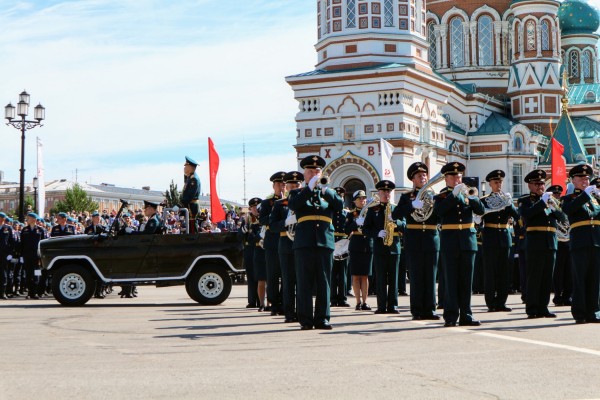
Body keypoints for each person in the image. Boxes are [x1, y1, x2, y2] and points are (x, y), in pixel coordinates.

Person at [288, 155, 343, 330]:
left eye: (317, 171)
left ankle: (322, 318)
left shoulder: (329, 192)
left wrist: (325, 190)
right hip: (304, 242)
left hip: (324, 241)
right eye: (310, 171)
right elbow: (295, 205)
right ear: (304, 174)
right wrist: (309, 189)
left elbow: (340, 205)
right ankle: (305, 319)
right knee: (304, 282)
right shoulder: (297, 193)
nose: (314, 174)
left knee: (324, 281)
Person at [434, 162, 485, 327]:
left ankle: (466, 315)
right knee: (451, 281)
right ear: (446, 179)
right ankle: (450, 316)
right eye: (453, 176)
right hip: (450, 242)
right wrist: (452, 196)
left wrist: (471, 198)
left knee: (466, 281)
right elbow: (439, 213)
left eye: (459, 176)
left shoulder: (468, 194)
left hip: (468, 242)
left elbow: (481, 210)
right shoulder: (440, 197)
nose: (457, 179)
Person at [393, 162, 440, 320]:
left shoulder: (434, 195)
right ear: (413, 179)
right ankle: (417, 310)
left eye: (425, 175)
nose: (423, 177)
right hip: (414, 239)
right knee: (416, 276)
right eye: (419, 175)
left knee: (430, 276)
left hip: (431, 238)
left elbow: (440, 215)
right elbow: (396, 215)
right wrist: (411, 206)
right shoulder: (407, 197)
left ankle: (430, 309)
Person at [518, 169, 567, 319]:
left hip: (550, 241)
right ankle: (532, 308)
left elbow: (563, 217)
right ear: (530, 185)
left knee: (547, 277)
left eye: (542, 183)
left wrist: (553, 207)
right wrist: (542, 203)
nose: (540, 186)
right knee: (534, 276)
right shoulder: (525, 200)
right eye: (537, 184)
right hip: (535, 241)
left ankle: (543, 307)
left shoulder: (551, 200)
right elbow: (527, 215)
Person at [560, 164, 600, 323]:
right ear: (573, 181)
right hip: (580, 243)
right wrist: (585, 196)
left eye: (587, 178)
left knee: (595, 279)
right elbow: (568, 211)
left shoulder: (595, 199)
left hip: (596, 242)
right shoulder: (568, 199)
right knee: (580, 278)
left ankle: (594, 311)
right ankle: (580, 313)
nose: (585, 181)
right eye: (581, 178)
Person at [363, 180, 404, 314]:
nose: (386, 194)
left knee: (394, 278)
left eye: (388, 192)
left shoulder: (396, 208)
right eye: (384, 191)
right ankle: (381, 306)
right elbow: (365, 229)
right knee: (380, 278)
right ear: (379, 193)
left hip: (394, 247)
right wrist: (377, 233)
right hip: (380, 248)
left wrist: (395, 221)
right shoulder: (373, 209)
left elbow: (405, 225)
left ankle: (393, 306)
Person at [480, 170, 519, 312]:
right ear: (490, 184)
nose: (499, 184)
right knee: (490, 272)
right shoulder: (484, 200)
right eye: (496, 182)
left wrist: (510, 204)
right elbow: (479, 220)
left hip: (504, 237)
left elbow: (517, 216)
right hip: (490, 236)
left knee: (504, 272)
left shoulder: (506, 199)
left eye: (500, 182)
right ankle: (491, 303)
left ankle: (501, 302)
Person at [270, 171, 304, 323]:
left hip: (302, 244)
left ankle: (303, 312)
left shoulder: (305, 204)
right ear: (287, 187)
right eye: (291, 185)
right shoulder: (280, 204)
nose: (294, 188)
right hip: (285, 244)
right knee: (288, 281)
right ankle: (289, 313)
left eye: (297, 185)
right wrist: (286, 222)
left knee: (303, 280)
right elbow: (272, 226)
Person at [260, 171, 286, 316]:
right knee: (273, 274)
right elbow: (262, 220)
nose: (281, 186)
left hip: (285, 239)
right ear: (274, 186)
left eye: (283, 184)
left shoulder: (290, 200)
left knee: (286, 274)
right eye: (279, 184)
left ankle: (284, 301)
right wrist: (274, 217)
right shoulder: (267, 202)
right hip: (272, 240)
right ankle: (274, 304)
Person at [345, 190, 373, 311]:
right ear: (355, 201)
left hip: (367, 244)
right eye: (360, 198)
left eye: (364, 198)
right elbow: (346, 230)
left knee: (365, 276)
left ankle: (365, 302)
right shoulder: (351, 214)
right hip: (356, 244)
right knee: (356, 276)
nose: (363, 200)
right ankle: (357, 302)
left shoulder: (370, 212)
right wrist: (356, 222)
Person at [549, 185, 572, 307]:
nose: (557, 196)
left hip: (567, 239)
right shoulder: (549, 206)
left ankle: (567, 296)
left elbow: (566, 218)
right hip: (557, 240)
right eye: (554, 194)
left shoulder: (564, 204)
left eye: (558, 194)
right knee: (558, 271)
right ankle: (558, 296)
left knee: (568, 270)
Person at [238, 199, 261, 309]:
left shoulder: (262, 218)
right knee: (251, 276)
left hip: (260, 248)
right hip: (250, 249)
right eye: (253, 207)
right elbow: (239, 236)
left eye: (257, 207)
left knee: (260, 276)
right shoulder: (247, 220)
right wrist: (244, 228)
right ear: (250, 208)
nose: (255, 209)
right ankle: (252, 301)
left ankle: (261, 300)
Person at [331, 187, 350, 307]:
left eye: (341, 197)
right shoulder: (330, 211)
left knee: (343, 273)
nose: (340, 199)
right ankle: (333, 298)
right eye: (338, 196)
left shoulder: (347, 213)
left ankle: (342, 298)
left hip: (343, 244)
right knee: (332, 273)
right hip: (332, 243)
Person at [19, 212, 46, 299]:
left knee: (37, 274)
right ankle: (30, 293)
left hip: (37, 256)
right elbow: (22, 244)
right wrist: (21, 255)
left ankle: (35, 293)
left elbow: (43, 243)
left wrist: (42, 256)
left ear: (34, 219)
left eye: (29, 218)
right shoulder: (24, 230)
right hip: (27, 256)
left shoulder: (40, 230)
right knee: (28, 274)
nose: (27, 219)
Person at [181, 156, 201, 234]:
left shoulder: (194, 179)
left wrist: (181, 204)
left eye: (186, 166)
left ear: (190, 167)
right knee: (189, 224)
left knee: (192, 224)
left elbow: (189, 195)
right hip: (189, 204)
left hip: (192, 205)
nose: (184, 168)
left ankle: (194, 240)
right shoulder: (189, 177)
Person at [0, 212, 16, 300]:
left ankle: (3, 293)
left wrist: (10, 254)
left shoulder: (8, 228)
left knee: (4, 274)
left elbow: (12, 242)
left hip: (4, 255)